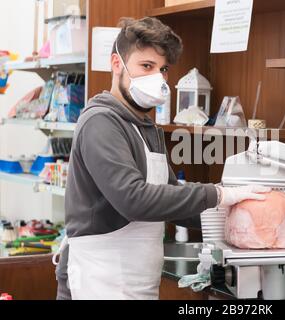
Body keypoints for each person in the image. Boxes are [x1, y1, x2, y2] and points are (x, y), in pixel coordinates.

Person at [54, 16, 270, 300]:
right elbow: (133, 199)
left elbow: (171, 199)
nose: (158, 77)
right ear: (117, 64)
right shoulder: (101, 122)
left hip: (138, 281)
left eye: (163, 69)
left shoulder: (147, 127)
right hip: (98, 281)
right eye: (146, 66)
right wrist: (217, 194)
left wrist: (237, 210)